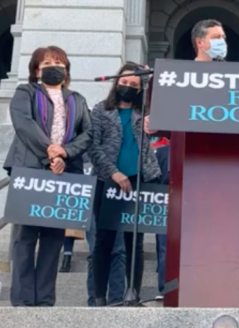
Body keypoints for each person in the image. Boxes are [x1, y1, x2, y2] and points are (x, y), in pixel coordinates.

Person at [6, 46, 93, 307]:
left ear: (66, 70)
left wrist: (64, 153)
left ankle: (44, 300)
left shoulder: (77, 98)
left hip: (64, 174)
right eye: (46, 62)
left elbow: (87, 133)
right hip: (31, 169)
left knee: (54, 239)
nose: (53, 66)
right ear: (36, 69)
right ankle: (22, 299)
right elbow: (24, 124)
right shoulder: (26, 92)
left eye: (59, 62)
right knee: (25, 237)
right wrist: (50, 154)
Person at [90, 62, 161, 306]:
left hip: (139, 180)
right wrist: (113, 172)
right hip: (108, 181)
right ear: (116, 82)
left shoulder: (147, 115)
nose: (129, 86)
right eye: (125, 81)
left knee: (135, 243)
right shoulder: (100, 110)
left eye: (135, 84)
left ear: (141, 89)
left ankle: (133, 294)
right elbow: (93, 146)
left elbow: (157, 138)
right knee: (104, 241)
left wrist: (152, 129)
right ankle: (99, 296)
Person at [83, 153, 126, 306]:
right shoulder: (86, 146)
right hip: (92, 198)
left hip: (116, 194)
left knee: (118, 250)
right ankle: (95, 299)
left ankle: (116, 299)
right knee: (96, 250)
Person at [151, 135, 170, 299]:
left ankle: (165, 288)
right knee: (164, 247)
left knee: (164, 247)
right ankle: (164, 288)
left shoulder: (161, 151)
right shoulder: (161, 152)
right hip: (164, 201)